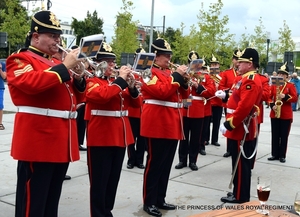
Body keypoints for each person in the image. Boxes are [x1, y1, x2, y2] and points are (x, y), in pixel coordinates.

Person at [6, 10, 86, 217]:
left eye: (58, 36)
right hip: (38, 139)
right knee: (33, 201)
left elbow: (74, 99)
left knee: (51, 199)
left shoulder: (54, 63)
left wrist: (78, 77)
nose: (57, 40)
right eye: (52, 35)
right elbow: (31, 84)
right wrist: (65, 67)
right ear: (35, 37)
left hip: (60, 139)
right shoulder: (20, 59)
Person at [84, 42, 142, 217]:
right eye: (108, 62)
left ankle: (107, 211)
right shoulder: (92, 81)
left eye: (112, 61)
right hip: (101, 137)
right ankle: (98, 213)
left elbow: (137, 104)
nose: (112, 65)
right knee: (99, 181)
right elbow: (103, 96)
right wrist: (121, 81)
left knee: (112, 179)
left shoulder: (115, 82)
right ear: (98, 63)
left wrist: (131, 87)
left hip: (120, 136)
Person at [140, 38, 189, 217]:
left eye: (169, 55)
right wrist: (176, 76)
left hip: (172, 123)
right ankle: (149, 201)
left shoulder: (169, 73)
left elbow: (184, 96)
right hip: (157, 123)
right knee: (154, 164)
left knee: (166, 164)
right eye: (165, 56)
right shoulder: (147, 72)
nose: (169, 59)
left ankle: (160, 198)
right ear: (155, 56)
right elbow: (162, 92)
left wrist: (184, 81)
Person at [217, 48, 262, 203]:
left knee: (241, 165)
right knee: (237, 162)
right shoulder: (244, 78)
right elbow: (238, 97)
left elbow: (244, 107)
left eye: (241, 62)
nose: (238, 64)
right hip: (238, 126)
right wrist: (227, 96)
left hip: (240, 127)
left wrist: (230, 123)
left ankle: (241, 196)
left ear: (249, 64)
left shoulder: (250, 80)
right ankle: (237, 191)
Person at [267, 63, 297, 163]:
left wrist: (285, 97)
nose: (280, 76)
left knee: (284, 135)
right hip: (275, 112)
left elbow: (295, 98)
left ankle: (282, 155)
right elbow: (268, 97)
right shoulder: (274, 84)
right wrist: (272, 105)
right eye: (279, 74)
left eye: (283, 74)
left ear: (286, 76)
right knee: (275, 135)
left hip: (285, 114)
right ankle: (274, 154)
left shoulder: (290, 85)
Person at [126, 46, 146, 169]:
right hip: (133, 110)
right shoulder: (130, 72)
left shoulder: (147, 73)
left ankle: (139, 160)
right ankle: (131, 159)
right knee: (131, 138)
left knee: (142, 139)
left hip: (144, 110)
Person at [218, 49, 241, 157]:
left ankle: (237, 147)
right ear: (233, 60)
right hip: (229, 102)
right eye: (236, 59)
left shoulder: (243, 74)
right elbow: (221, 86)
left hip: (240, 103)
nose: (237, 62)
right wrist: (228, 92)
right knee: (228, 122)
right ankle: (229, 149)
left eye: (239, 59)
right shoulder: (227, 73)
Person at [206, 54, 222, 147]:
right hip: (210, 102)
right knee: (207, 122)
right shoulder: (208, 76)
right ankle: (206, 139)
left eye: (216, 64)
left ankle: (214, 139)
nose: (214, 66)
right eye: (212, 64)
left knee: (217, 122)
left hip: (218, 102)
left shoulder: (221, 76)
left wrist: (218, 86)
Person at [0, 61, 6, 130]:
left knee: (0, 105)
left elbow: (4, 77)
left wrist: (0, 69)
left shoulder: (3, 64)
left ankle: (0, 123)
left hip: (0, 87)